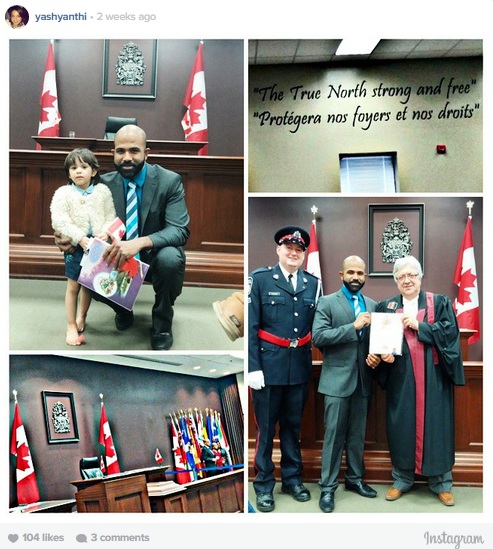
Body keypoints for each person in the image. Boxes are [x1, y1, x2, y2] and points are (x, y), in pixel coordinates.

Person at [55, 125, 190, 350]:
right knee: (86, 265)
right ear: (113, 154)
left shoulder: (169, 181)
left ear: (146, 153)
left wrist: (139, 242)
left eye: (134, 151)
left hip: (154, 252)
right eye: (120, 151)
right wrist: (63, 238)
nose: (127, 157)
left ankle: (162, 322)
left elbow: (180, 230)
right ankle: (122, 309)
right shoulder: (102, 185)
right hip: (116, 255)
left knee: (171, 259)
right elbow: (78, 220)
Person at [376, 255, 465, 506]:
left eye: (411, 275)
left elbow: (450, 334)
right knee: (401, 425)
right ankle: (402, 479)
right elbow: (381, 344)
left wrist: (420, 326)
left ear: (420, 276)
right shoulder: (388, 307)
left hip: (434, 378)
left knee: (437, 426)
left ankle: (441, 483)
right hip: (402, 378)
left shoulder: (438, 302)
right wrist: (383, 356)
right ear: (395, 280)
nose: (407, 280)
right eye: (401, 276)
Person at [248, 225, 320, 512]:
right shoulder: (260, 279)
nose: (294, 253)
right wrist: (253, 368)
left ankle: (292, 479)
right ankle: (264, 485)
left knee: (293, 428)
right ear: (279, 249)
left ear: (304, 254)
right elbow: (252, 326)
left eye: (299, 250)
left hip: (298, 367)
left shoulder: (312, 283)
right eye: (289, 248)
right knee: (266, 431)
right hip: (267, 367)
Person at [311, 255, 384, 513]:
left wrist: (377, 355)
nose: (356, 277)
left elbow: (379, 340)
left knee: (356, 437)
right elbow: (319, 337)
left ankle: (354, 480)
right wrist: (353, 326)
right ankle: (328, 488)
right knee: (333, 437)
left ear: (365, 276)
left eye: (361, 273)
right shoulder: (327, 302)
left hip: (364, 381)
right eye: (351, 272)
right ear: (341, 275)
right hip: (336, 382)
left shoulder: (373, 305)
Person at [50, 148, 117, 346]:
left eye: (84, 167)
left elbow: (110, 216)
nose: (79, 171)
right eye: (73, 168)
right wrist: (79, 238)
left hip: (97, 244)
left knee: (88, 284)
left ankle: (82, 317)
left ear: (94, 171)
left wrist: (106, 232)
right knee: (73, 286)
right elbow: (59, 220)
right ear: (68, 173)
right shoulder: (63, 193)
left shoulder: (103, 192)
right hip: (75, 244)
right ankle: (70, 325)